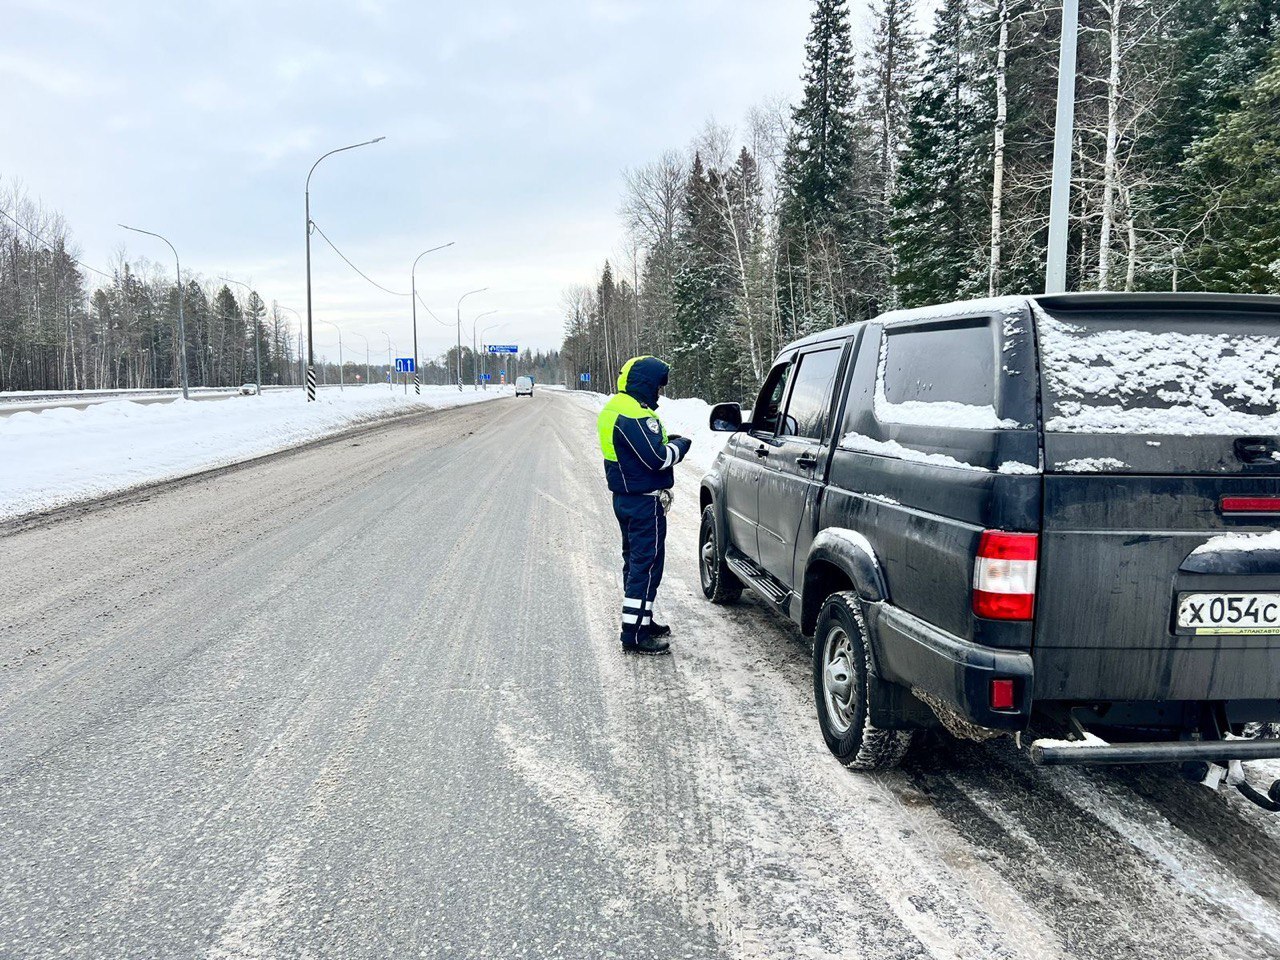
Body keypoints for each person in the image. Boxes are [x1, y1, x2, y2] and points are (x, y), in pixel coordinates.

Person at [597, 356, 692, 655]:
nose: (659, 394)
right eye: (658, 387)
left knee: (635, 563)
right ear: (646, 383)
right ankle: (635, 634)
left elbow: (639, 449)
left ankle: (641, 620)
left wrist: (665, 441)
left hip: (625, 499)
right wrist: (682, 445)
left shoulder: (614, 407)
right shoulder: (635, 414)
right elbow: (657, 458)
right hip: (644, 503)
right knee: (646, 566)